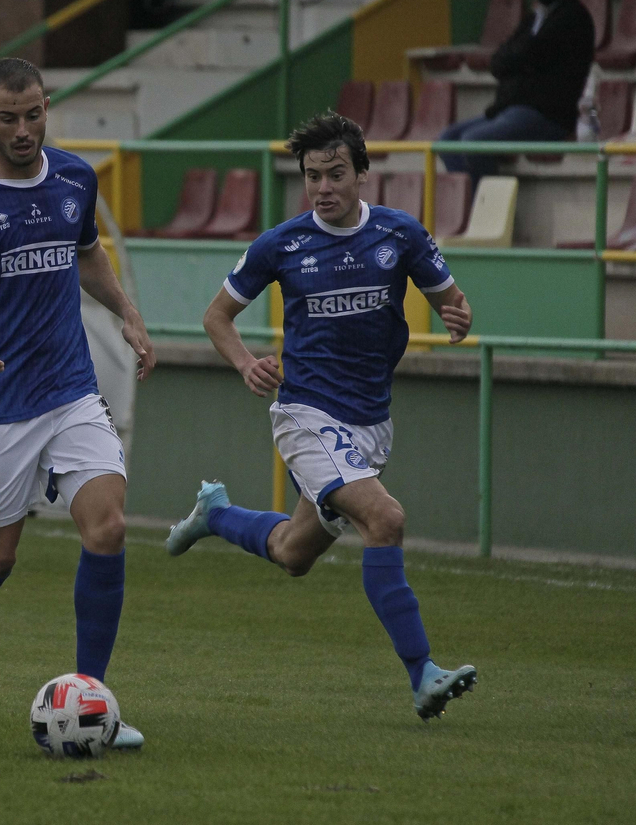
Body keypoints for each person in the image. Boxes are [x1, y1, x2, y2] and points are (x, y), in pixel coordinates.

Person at [167, 111, 479, 721]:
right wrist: (244, 364)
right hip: (306, 415)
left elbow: (451, 298)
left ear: (362, 174)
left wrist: (457, 315)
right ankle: (423, 674)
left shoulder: (400, 235)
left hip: (369, 425)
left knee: (292, 552)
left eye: (335, 174)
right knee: (384, 519)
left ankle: (217, 514)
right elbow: (216, 317)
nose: (323, 188)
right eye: (312, 177)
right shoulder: (281, 244)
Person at [0, 58, 154, 749]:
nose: (24, 130)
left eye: (35, 114)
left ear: (48, 107)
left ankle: (93, 702)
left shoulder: (75, 178)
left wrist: (127, 314)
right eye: (10, 118)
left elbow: (87, 255)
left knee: (106, 528)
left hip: (70, 387)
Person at [437, 0, 593, 183]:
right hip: (511, 109)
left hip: (548, 116)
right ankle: (472, 204)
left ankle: (489, 210)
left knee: (473, 141)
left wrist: (518, 57)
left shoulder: (574, 17)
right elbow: (498, 62)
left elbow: (533, 55)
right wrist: (519, 58)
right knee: (446, 141)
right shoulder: (533, 19)